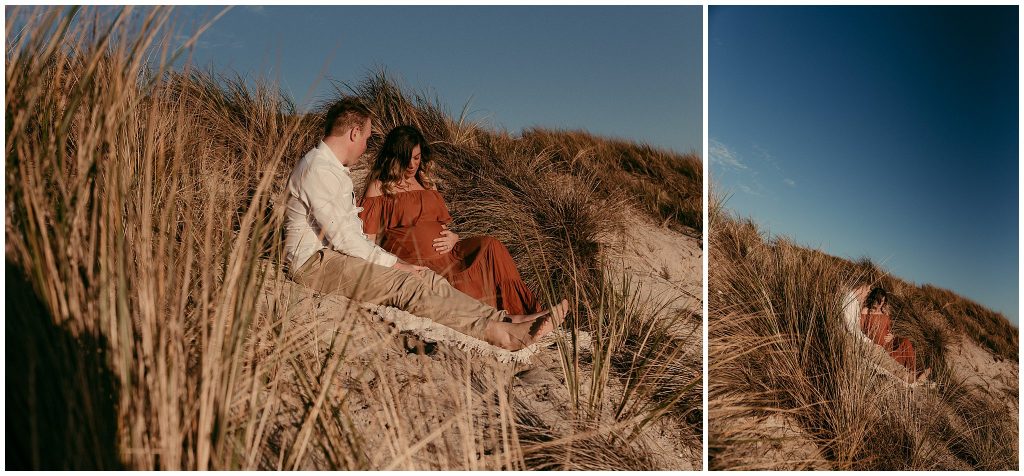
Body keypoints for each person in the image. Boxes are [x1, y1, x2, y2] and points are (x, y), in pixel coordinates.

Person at [283, 98, 569, 351]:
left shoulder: (333, 171)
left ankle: (509, 319)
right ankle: (499, 334)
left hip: (337, 257)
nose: (366, 145)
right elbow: (345, 239)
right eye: (366, 138)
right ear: (354, 132)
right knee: (408, 284)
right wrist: (397, 265)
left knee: (429, 279)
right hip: (316, 263)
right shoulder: (317, 169)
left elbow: (350, 236)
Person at [358, 125, 543, 315]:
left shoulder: (425, 181)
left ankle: (525, 311)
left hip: (449, 254)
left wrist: (454, 237)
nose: (413, 165)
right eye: (407, 158)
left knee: (491, 247)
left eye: (417, 157)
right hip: (414, 260)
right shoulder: (379, 186)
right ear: (394, 156)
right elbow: (367, 240)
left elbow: (441, 225)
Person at [845, 284, 931, 384]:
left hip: (889, 341)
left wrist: (892, 335)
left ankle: (915, 370)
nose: (881, 304)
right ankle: (915, 375)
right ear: (874, 299)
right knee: (893, 356)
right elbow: (861, 329)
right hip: (877, 344)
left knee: (905, 342)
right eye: (879, 301)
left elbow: (888, 329)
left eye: (883, 301)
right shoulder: (866, 311)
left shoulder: (884, 312)